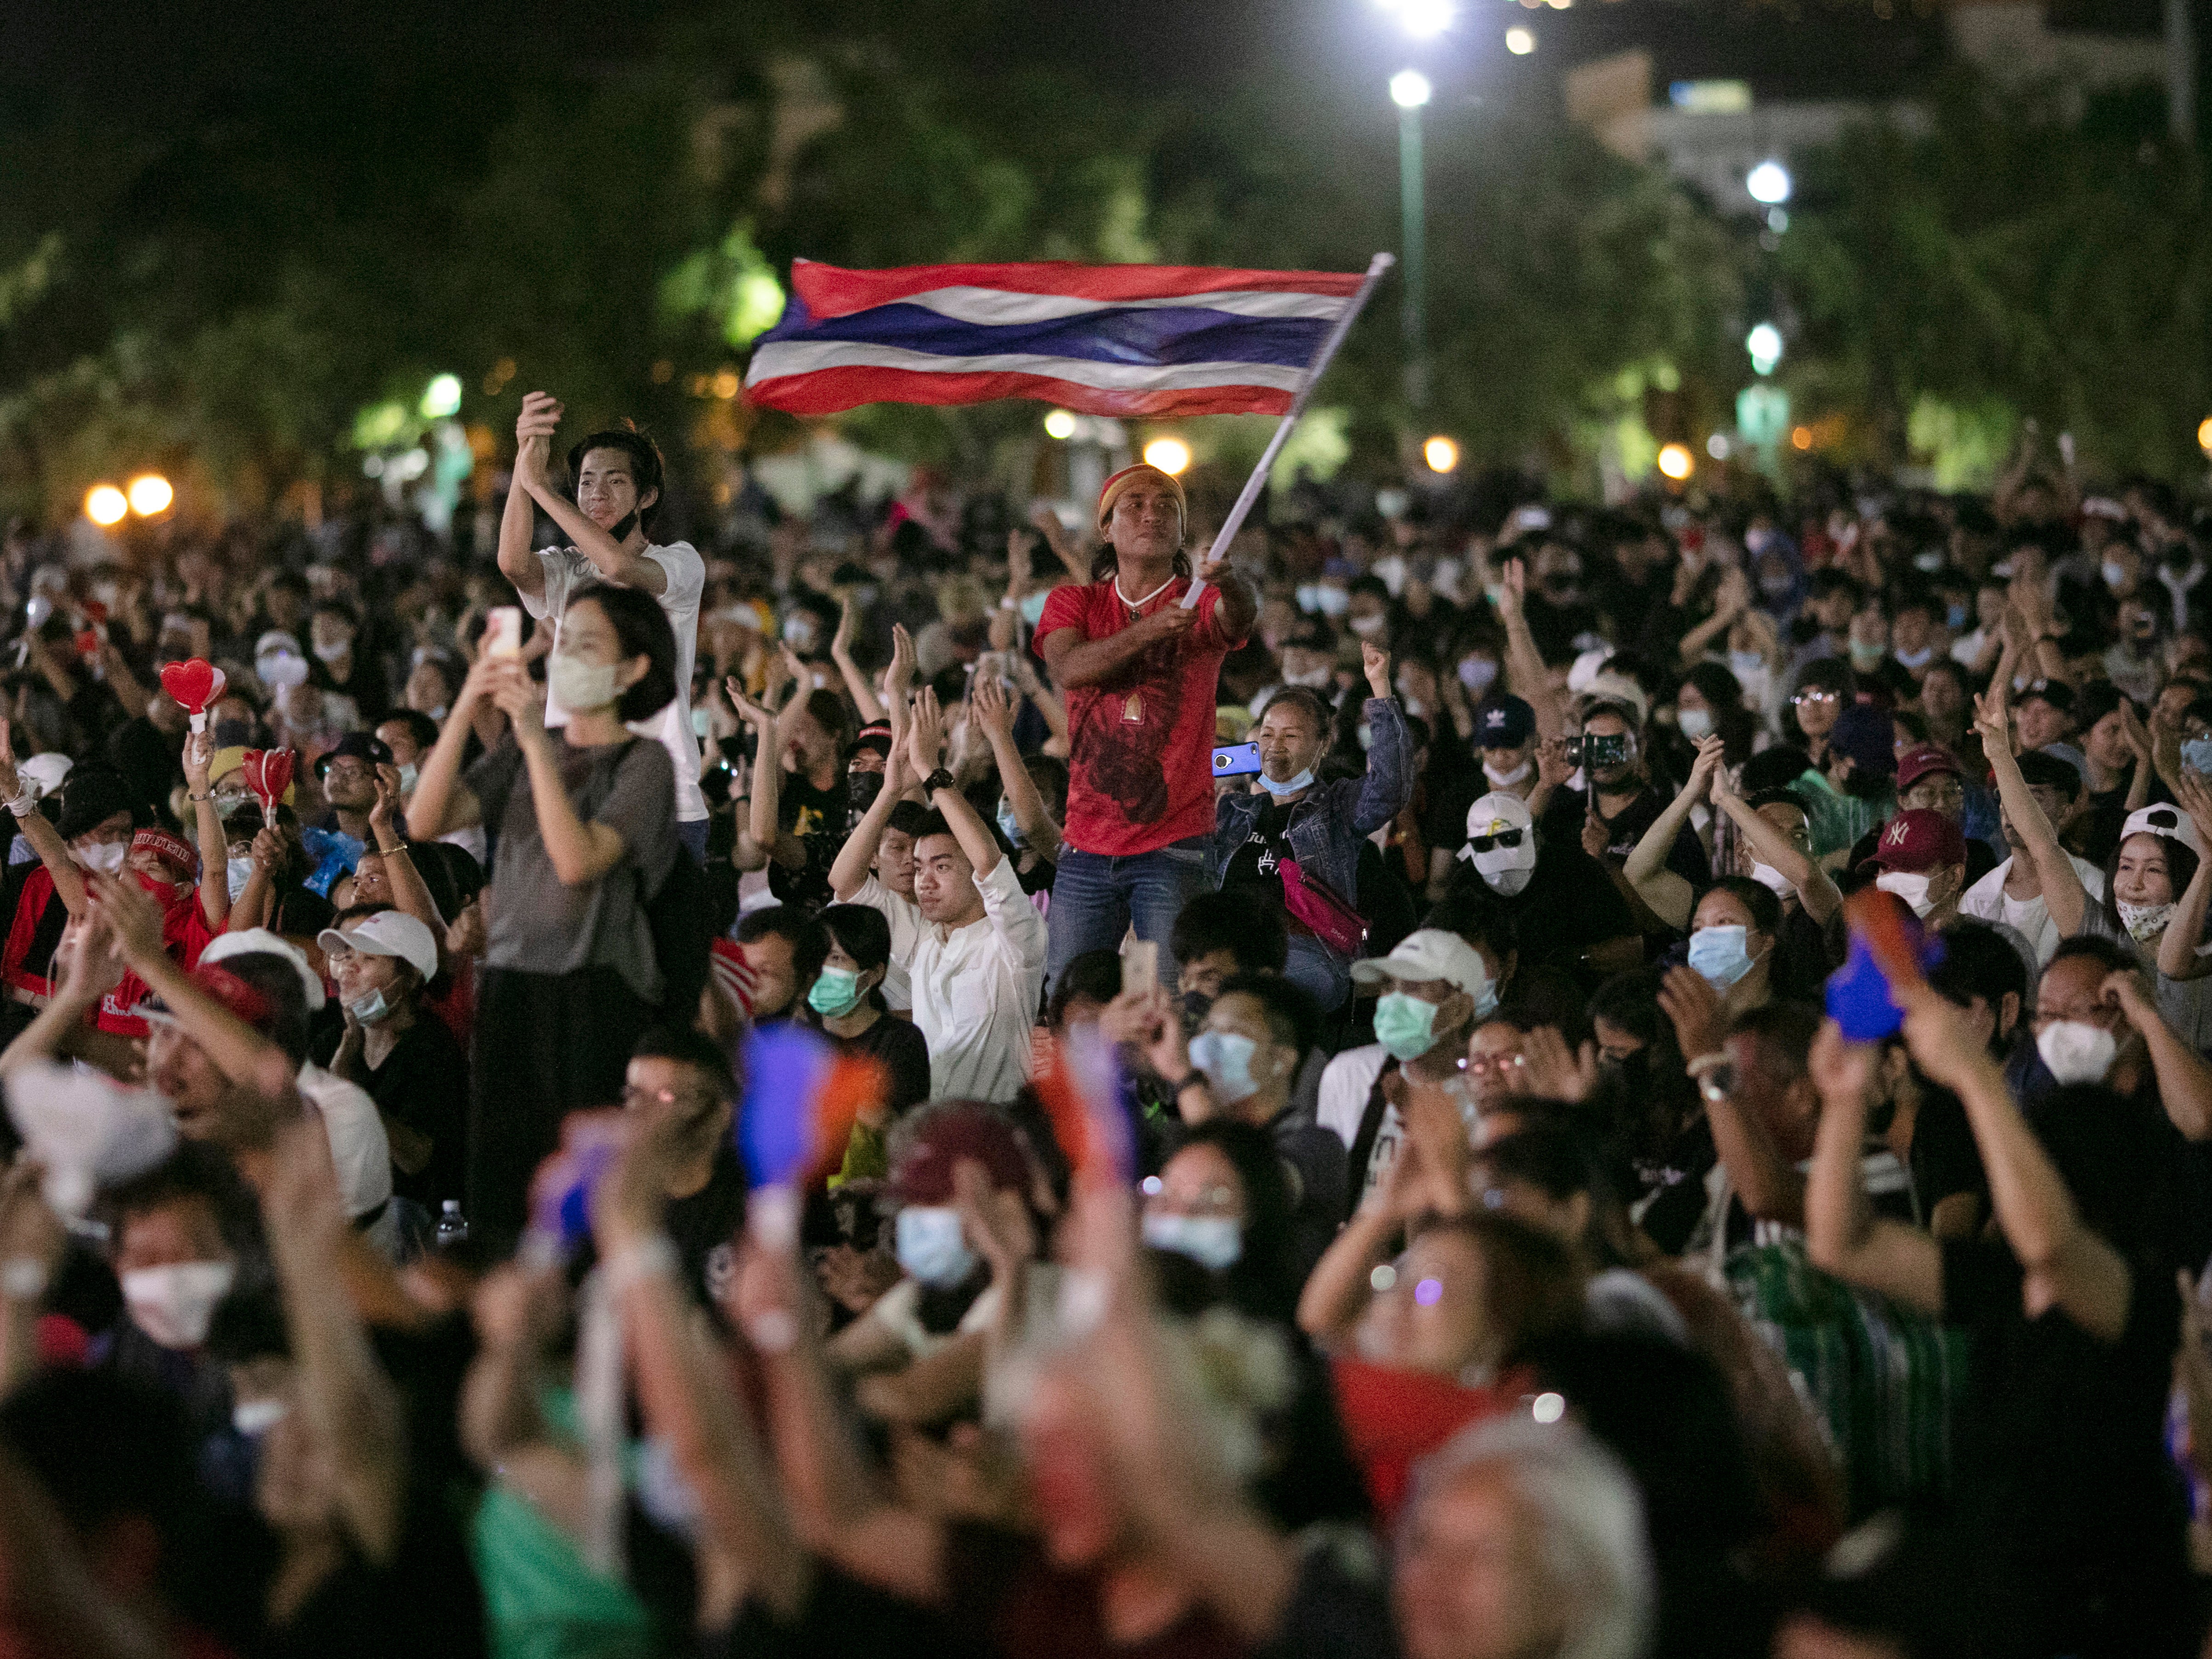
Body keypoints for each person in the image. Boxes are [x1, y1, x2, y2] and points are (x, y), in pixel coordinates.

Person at [1804, 992, 2196, 1657]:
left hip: (2108, 1610)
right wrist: (1844, 1099)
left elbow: (2052, 1243)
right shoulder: (2003, 1281)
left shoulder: (2143, 1296)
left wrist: (1975, 1077)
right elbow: (1843, 1242)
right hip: (1998, 1587)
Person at [406, 582, 681, 1244]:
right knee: (505, 1185)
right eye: (563, 643)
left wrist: (533, 740)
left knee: (585, 1188)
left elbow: (578, 859)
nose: (567, 658)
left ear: (633, 667)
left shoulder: (644, 762)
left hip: (594, 990)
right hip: (511, 983)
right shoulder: (535, 747)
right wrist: (471, 694)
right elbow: (425, 817)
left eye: (589, 645)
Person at [1037, 462, 1258, 992]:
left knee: (1170, 1001)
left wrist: (1228, 580)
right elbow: (1070, 669)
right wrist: (1152, 630)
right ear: (1106, 528)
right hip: (1086, 845)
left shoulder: (1198, 600)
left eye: (1165, 506)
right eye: (1133, 504)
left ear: (1182, 532)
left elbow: (1239, 617)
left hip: (1174, 847)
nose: (1150, 513)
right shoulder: (1074, 602)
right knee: (1068, 997)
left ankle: (1164, 1078)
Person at [496, 393, 709, 860]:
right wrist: (523, 465)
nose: (596, 493)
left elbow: (616, 566)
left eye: (614, 481)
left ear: (647, 495)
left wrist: (542, 490)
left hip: (667, 800)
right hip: (574, 794)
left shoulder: (680, 563)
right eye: (586, 481)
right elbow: (512, 564)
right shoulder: (567, 567)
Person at [828, 688, 1048, 1104]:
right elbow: (846, 881)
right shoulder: (926, 940)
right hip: (930, 1130)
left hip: (996, 1133)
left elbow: (987, 859)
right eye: (919, 865)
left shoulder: (1015, 940)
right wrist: (891, 789)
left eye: (942, 866)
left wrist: (932, 769)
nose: (923, 880)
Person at [1210, 642, 1412, 1014]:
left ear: (1322, 747)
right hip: (1228, 948)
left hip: (1304, 951)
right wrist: (1221, 768)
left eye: (1291, 736)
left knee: (1263, 1002)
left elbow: (1390, 786)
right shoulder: (1233, 810)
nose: (1275, 745)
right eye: (1268, 734)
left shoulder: (1338, 807)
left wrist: (1380, 689)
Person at [1114, 971, 1347, 1280]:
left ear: (1281, 1059)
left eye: (1231, 1031)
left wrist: (1184, 1077)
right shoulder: (1181, 1135)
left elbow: (1239, 1183)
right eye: (1207, 1028)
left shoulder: (1316, 1146)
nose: (1207, 1044)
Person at [1316, 929, 1496, 1214]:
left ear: (1460, 1009)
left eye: (1414, 988)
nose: (1392, 1001)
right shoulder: (1349, 1073)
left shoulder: (1488, 1091)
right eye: (1388, 986)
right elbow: (1328, 1192)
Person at [315, 907, 469, 1220]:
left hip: (414, 1216)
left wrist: (351, 1091)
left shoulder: (432, 1047)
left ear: (410, 977)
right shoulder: (332, 1038)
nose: (348, 967)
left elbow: (416, 1157)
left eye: (368, 959)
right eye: (346, 956)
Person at [792, 902, 932, 1178]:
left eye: (835, 959)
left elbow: (905, 1134)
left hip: (866, 1190)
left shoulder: (900, 1042)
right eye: (816, 957)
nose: (821, 970)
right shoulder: (796, 1029)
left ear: (873, 975)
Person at [1443, 791, 1641, 983]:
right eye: (1484, 844)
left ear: (1532, 834)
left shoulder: (1576, 869)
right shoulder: (1466, 882)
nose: (1498, 849)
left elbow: (1631, 949)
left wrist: (1577, 958)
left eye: (1509, 839)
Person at [1957, 748, 2106, 968]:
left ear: (2065, 812)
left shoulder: (2094, 885)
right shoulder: (1977, 898)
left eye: (2032, 800)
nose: (2014, 810)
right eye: (2007, 797)